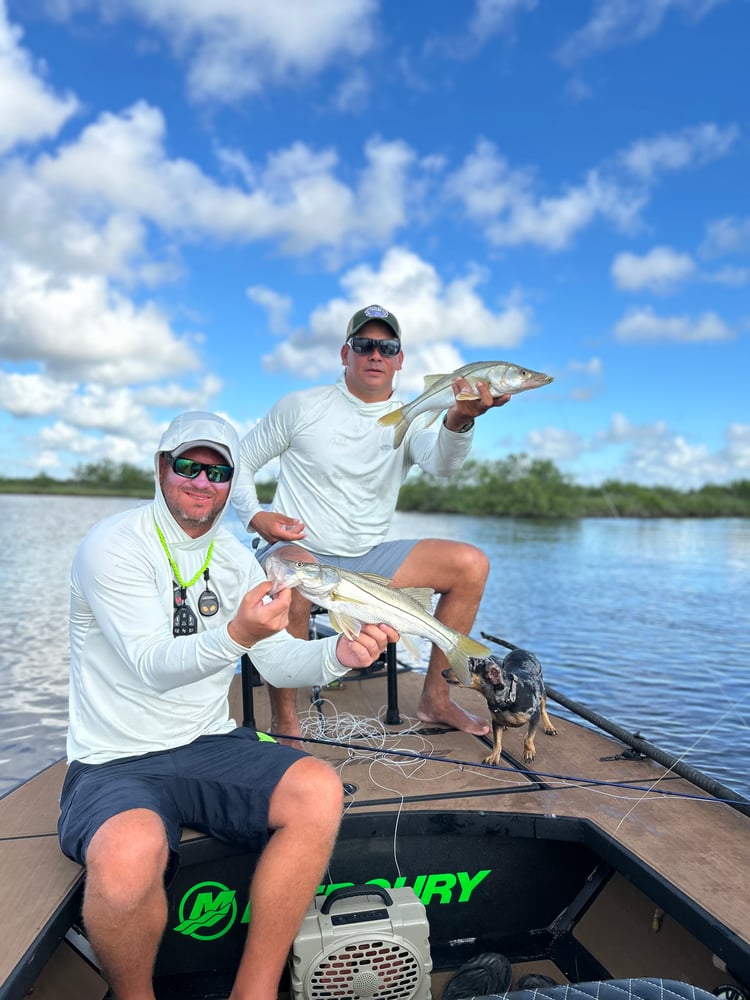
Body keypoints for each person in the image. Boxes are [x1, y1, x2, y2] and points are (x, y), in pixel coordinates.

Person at [57, 410, 396, 1000]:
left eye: (219, 472)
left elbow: (278, 662)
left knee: (318, 790)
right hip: (115, 756)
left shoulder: (239, 559)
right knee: (127, 855)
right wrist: (238, 634)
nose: (201, 482)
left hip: (209, 743)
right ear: (162, 469)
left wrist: (339, 655)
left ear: (235, 483)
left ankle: (255, 990)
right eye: (188, 465)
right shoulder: (112, 546)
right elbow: (150, 664)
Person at [231, 304, 511, 744]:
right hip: (297, 547)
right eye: (364, 344)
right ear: (346, 353)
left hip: (368, 557)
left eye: (387, 346)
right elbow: (241, 460)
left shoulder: (413, 414)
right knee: (294, 579)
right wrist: (256, 515)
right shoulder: (301, 406)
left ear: (400, 359)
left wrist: (459, 420)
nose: (375, 354)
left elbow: (442, 465)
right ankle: (285, 719)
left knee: (470, 563)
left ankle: (435, 698)